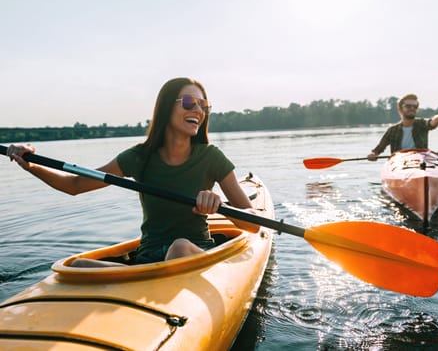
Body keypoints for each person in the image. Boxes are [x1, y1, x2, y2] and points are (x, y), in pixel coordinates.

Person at [7, 77, 258, 267]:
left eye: (204, 106)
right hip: (148, 259)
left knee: (179, 247)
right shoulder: (138, 157)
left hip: (193, 252)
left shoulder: (211, 157)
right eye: (190, 102)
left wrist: (220, 205)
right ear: (165, 108)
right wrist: (30, 164)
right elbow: (74, 185)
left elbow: (253, 223)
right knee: (77, 265)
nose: (199, 111)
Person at [367, 93, 438, 161]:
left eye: (415, 106)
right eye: (408, 106)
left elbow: (432, 122)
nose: (412, 108)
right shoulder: (392, 130)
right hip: (399, 162)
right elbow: (378, 149)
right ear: (400, 109)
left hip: (421, 160)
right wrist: (373, 154)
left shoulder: (422, 124)